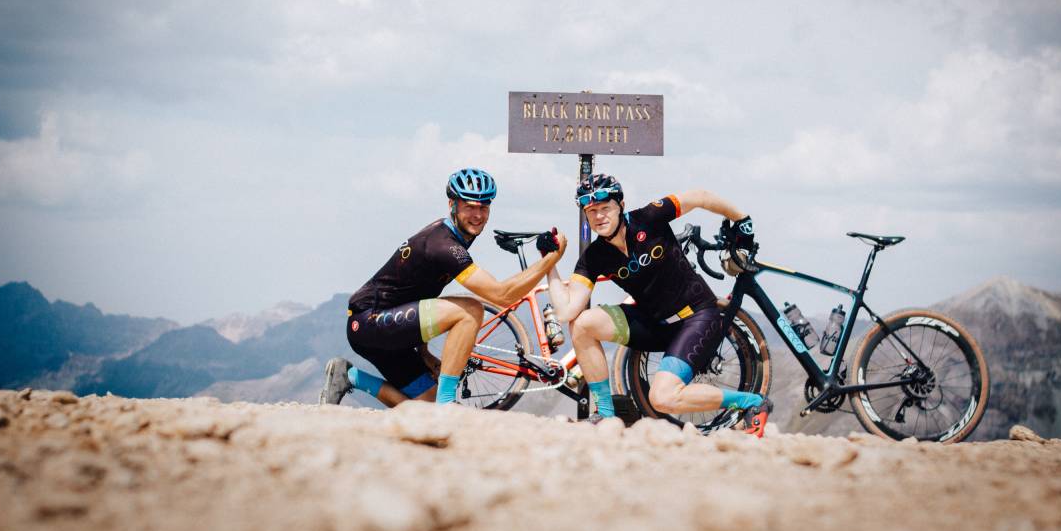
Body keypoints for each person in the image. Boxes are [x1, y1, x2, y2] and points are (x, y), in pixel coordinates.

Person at [320, 167, 567, 407]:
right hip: (370, 321)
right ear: (453, 205)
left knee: (424, 407)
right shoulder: (444, 246)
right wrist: (551, 259)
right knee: (470, 310)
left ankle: (349, 377)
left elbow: (418, 295)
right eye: (469, 206)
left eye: (483, 207)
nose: (477, 214)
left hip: (383, 328)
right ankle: (446, 403)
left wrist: (423, 352)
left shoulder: (452, 236)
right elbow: (501, 295)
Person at [544, 173, 771, 433]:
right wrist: (549, 261)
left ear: (621, 205)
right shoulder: (594, 256)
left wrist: (741, 219)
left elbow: (699, 196)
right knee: (583, 323)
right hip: (655, 324)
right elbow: (567, 310)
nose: (598, 216)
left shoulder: (648, 218)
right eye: (591, 211)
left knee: (662, 398)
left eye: (605, 208)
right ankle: (606, 415)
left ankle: (752, 403)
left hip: (696, 317)